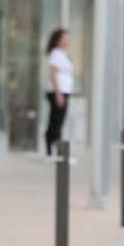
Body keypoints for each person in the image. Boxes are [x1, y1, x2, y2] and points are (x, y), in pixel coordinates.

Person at [45, 28, 74, 156]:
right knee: (55, 122)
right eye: (64, 38)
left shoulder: (64, 54)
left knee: (59, 122)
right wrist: (58, 93)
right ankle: (53, 152)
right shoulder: (56, 53)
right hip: (58, 92)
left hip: (64, 91)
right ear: (58, 40)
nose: (67, 40)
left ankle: (56, 152)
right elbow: (53, 74)